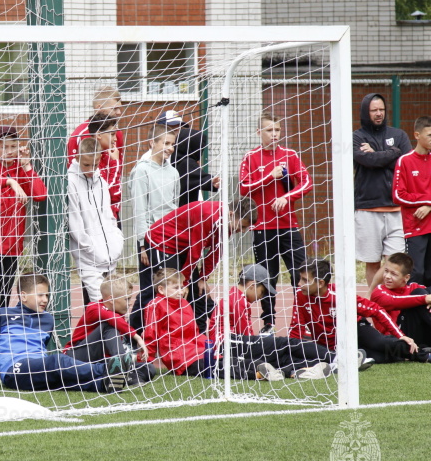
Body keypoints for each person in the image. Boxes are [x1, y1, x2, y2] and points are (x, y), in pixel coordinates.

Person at [208, 264, 371, 382]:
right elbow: (246, 336)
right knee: (287, 343)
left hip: (235, 344)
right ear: (252, 285)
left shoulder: (235, 298)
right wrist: (265, 341)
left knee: (285, 355)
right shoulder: (237, 300)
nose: (261, 296)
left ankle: (299, 370)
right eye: (262, 291)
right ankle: (338, 358)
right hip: (229, 343)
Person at [0, 272, 130, 393]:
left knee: (63, 379)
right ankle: (106, 370)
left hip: (40, 368)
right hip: (15, 370)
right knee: (57, 361)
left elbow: (41, 349)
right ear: (24, 296)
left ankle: (106, 383)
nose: (45, 299)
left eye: (47, 295)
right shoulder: (3, 314)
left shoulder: (48, 319)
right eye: (40, 295)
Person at [0, 125, 47, 347]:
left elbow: (40, 194)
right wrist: (8, 181)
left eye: (14, 146)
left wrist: (26, 166)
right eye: (5, 147)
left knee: (2, 292)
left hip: (11, 243)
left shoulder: (20, 169)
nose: (10, 151)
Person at [239, 112, 312, 334]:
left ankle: (303, 321)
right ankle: (269, 323)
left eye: (277, 130)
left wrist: (286, 197)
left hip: (289, 227)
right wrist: (270, 176)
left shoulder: (289, 155)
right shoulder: (251, 157)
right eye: (269, 130)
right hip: (262, 228)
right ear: (259, 133)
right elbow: (243, 188)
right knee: (267, 276)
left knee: (299, 273)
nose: (274, 135)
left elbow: (307, 182)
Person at [144, 197, 258, 333]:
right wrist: (184, 283)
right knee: (169, 289)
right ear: (231, 214)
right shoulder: (209, 215)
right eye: (242, 226)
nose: (243, 231)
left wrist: (203, 278)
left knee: (198, 292)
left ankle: (199, 335)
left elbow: (216, 251)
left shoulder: (227, 224)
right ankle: (134, 336)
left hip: (183, 248)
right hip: (162, 242)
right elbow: (196, 251)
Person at [289, 258, 429, 364]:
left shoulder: (341, 295)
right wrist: (291, 350)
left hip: (357, 329)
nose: (299, 284)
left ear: (320, 283)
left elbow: (376, 310)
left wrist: (400, 335)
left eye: (304, 280)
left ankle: (424, 355)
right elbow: (296, 326)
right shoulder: (300, 296)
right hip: (333, 346)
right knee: (381, 358)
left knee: (380, 343)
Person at [353, 93, 412, 287]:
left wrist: (379, 155)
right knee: (372, 262)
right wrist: (392, 154)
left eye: (381, 110)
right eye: (374, 110)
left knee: (395, 261)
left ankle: (390, 305)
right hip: (368, 209)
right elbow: (367, 160)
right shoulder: (357, 137)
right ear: (365, 112)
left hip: (396, 210)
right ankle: (373, 303)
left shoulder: (399, 135)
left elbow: (405, 164)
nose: (379, 114)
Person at [128, 124, 180, 333]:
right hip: (152, 240)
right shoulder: (141, 170)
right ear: (152, 143)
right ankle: (133, 334)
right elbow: (140, 210)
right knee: (151, 290)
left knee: (171, 286)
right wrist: (143, 245)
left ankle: (163, 334)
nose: (169, 148)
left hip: (171, 239)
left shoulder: (173, 172)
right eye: (165, 143)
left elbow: (174, 207)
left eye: (172, 144)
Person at [68, 137, 124, 304]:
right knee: (102, 306)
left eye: (95, 164)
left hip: (110, 257)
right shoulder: (71, 182)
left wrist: (117, 241)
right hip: (88, 258)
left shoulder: (101, 182)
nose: (91, 169)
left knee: (116, 304)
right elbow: (75, 224)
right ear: (77, 157)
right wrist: (91, 248)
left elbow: (109, 215)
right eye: (86, 165)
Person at [64, 276, 150, 383]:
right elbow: (112, 318)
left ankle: (122, 374)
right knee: (108, 325)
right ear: (111, 299)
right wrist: (137, 338)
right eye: (126, 299)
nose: (130, 302)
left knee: (149, 369)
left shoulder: (117, 315)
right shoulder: (93, 308)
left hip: (98, 360)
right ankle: (122, 364)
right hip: (75, 356)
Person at [139, 110, 218, 207]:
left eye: (178, 129)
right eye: (171, 129)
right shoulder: (148, 158)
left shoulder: (182, 154)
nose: (176, 133)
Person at [67, 86, 124, 219]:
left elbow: (116, 169)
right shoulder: (79, 135)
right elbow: (73, 171)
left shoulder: (117, 134)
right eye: (114, 108)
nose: (119, 112)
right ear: (99, 107)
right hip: (88, 207)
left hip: (111, 206)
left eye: (120, 108)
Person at [141, 268, 207, 377]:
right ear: (161, 289)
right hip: (181, 358)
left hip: (198, 350)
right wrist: (143, 365)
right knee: (216, 367)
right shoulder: (155, 305)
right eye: (176, 288)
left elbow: (194, 333)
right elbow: (150, 336)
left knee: (228, 358)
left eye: (181, 287)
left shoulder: (184, 303)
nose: (181, 292)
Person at [393, 116, 431, 285]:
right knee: (417, 273)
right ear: (417, 135)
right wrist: (427, 201)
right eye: (429, 135)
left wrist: (429, 205)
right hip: (415, 226)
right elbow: (398, 195)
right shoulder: (405, 161)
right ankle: (412, 310)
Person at [369, 252, 431, 349]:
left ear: (406, 278)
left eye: (393, 274)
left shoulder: (413, 287)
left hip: (417, 335)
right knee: (419, 295)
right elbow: (393, 301)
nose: (387, 276)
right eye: (386, 271)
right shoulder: (378, 292)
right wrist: (425, 298)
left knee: (423, 292)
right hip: (396, 338)